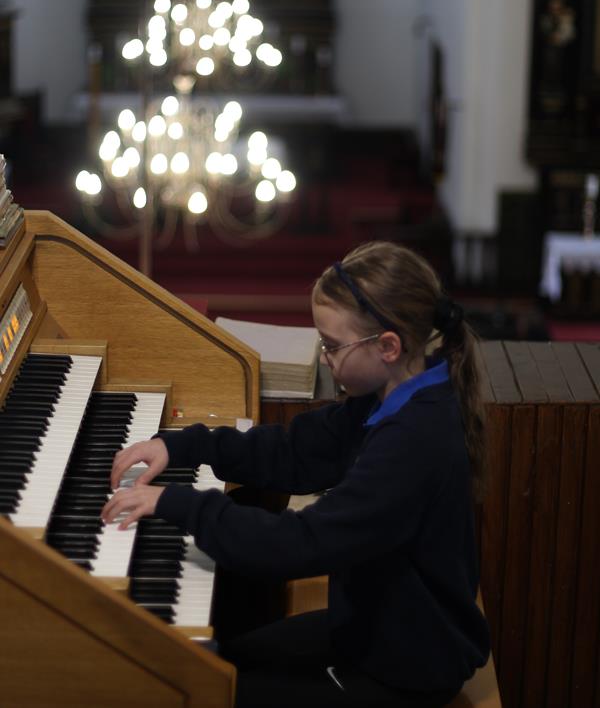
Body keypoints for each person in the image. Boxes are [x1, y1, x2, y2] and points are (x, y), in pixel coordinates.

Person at [102, 241, 491, 707]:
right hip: (370, 628)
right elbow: (294, 452)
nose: (325, 357)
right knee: (212, 665)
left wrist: (177, 503)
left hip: (406, 666)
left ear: (388, 346)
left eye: (332, 345)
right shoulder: (390, 394)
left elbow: (302, 543)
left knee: (201, 691)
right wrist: (183, 445)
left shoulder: (414, 439)